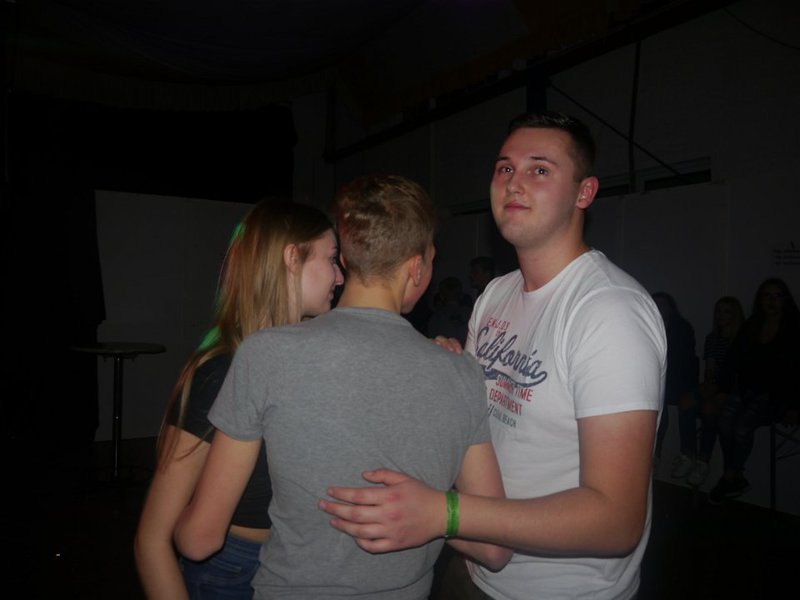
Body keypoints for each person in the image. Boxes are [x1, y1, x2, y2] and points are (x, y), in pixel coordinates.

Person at [320, 111, 667, 600]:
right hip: (475, 563)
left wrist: (445, 513)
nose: (514, 183)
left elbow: (616, 521)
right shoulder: (496, 295)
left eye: (539, 169)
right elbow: (481, 426)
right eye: (505, 168)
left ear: (584, 193)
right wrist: (446, 374)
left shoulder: (609, 311)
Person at [174, 175, 511, 599]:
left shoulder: (265, 354)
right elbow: (494, 549)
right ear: (416, 268)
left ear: (347, 259)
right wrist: (433, 513)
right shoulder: (461, 373)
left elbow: (199, 540)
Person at [134, 199, 343, 600]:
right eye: (331, 258)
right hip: (235, 569)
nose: (339, 275)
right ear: (291, 259)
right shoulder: (221, 372)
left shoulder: (313, 355)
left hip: (302, 563)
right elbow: (152, 540)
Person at [708, 278, 800, 504]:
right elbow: (733, 360)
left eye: (777, 296)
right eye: (767, 296)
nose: (772, 301)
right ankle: (735, 476)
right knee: (723, 421)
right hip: (746, 389)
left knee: (741, 428)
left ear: (785, 300)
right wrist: (723, 390)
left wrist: (794, 405)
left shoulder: (794, 327)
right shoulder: (753, 324)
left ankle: (729, 476)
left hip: (775, 396)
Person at [685, 296, 745, 487]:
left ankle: (703, 460)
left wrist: (719, 390)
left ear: (735, 314)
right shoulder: (712, 338)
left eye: (727, 311)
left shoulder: (743, 338)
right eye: (718, 311)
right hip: (715, 385)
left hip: (737, 389)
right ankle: (687, 454)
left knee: (710, 409)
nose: (721, 315)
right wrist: (709, 385)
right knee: (685, 401)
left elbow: (742, 374)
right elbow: (710, 370)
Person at [651, 292, 700, 477]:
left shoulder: (682, 328)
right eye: (656, 305)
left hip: (679, 380)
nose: (659, 309)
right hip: (658, 380)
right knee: (657, 403)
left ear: (671, 308)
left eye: (663, 305)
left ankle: (687, 454)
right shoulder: (648, 325)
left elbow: (684, 362)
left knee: (682, 405)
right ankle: (655, 452)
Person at [427, 276, 472, 346]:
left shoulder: (436, 318)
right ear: (461, 295)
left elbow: (431, 342)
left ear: (441, 296)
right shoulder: (471, 314)